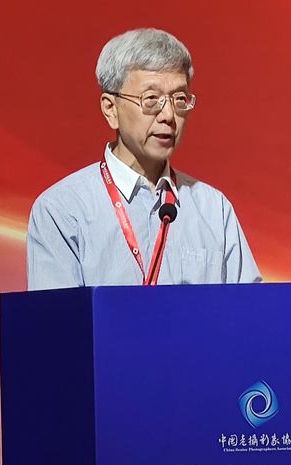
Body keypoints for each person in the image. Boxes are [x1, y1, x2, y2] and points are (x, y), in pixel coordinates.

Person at [26, 28, 261, 290]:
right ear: (110, 109)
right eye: (151, 99)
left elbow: (250, 309)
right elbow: (55, 315)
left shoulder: (214, 209)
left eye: (179, 99)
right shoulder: (62, 209)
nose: (169, 115)